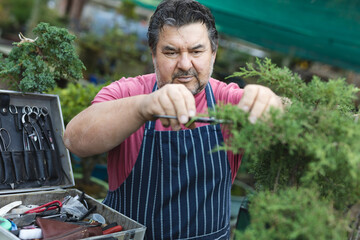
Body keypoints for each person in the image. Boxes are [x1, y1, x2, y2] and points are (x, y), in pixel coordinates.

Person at [63, 0, 283, 239]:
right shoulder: (127, 93)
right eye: (171, 52)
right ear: (153, 54)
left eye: (196, 51)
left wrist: (273, 103)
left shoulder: (228, 101)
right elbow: (75, 140)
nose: (185, 64)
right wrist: (144, 107)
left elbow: (290, 119)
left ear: (213, 54)